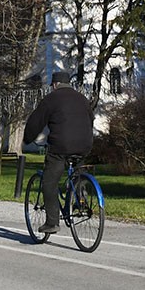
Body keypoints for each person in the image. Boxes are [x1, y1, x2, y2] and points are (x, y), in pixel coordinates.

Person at [23, 70, 93, 233]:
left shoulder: (51, 99)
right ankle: (80, 198)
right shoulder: (82, 99)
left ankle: (52, 222)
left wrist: (28, 138)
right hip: (84, 145)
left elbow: (36, 121)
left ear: (54, 85)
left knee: (49, 181)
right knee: (77, 171)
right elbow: (91, 119)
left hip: (60, 147)